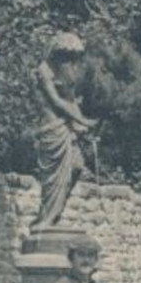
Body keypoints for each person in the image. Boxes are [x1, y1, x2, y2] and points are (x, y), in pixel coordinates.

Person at [30, 31, 98, 231]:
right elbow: (56, 102)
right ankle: (46, 219)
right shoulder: (44, 70)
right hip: (51, 127)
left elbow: (70, 101)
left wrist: (80, 127)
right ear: (55, 53)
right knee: (53, 177)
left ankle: (55, 214)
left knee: (76, 166)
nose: (69, 62)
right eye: (65, 56)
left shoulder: (66, 73)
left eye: (72, 57)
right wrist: (82, 119)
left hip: (66, 128)